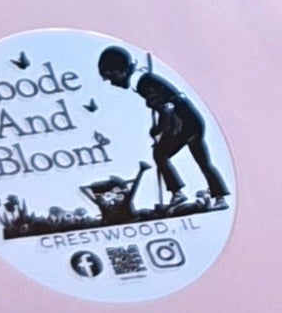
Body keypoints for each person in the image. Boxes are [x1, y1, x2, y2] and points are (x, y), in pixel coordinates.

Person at [95, 47, 228, 206]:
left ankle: (177, 193)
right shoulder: (144, 78)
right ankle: (220, 197)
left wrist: (159, 130)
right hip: (193, 119)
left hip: (181, 122)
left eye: (111, 77)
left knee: (160, 154)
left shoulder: (143, 83)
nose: (112, 82)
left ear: (120, 71)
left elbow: (166, 109)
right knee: (203, 161)